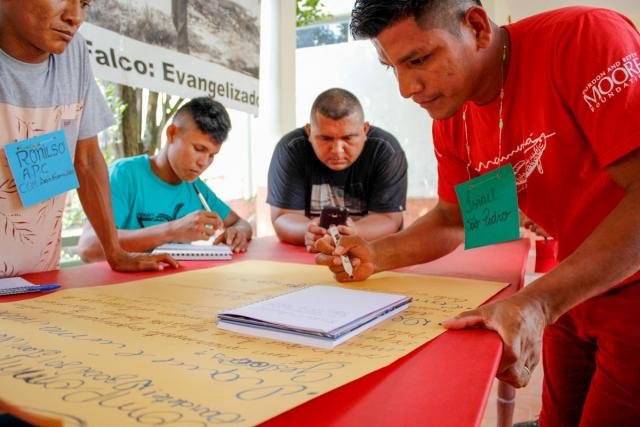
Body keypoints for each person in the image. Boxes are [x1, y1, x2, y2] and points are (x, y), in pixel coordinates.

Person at [315, 1, 640, 425]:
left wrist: (538, 305)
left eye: (419, 59)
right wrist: (378, 255)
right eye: (391, 66)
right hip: (574, 284)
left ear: (476, 27)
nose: (406, 87)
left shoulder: (583, 39)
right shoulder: (452, 117)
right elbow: (455, 220)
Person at [0, 0, 178, 278]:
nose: (76, 16)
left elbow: (86, 158)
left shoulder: (74, 53)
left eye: (84, 3)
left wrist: (114, 250)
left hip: (38, 278)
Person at [78, 97, 252, 261]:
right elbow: (88, 247)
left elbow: (240, 223)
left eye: (212, 155)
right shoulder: (124, 175)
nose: (203, 163)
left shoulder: (195, 187)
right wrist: (172, 231)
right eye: (199, 149)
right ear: (171, 133)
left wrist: (238, 232)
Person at [267, 88, 408, 251]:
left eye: (348, 138)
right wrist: (308, 231)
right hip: (305, 258)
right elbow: (282, 217)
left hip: (371, 255)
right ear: (309, 132)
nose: (337, 150)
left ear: (365, 130)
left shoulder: (385, 150)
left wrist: (355, 232)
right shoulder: (291, 149)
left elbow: (389, 218)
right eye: (325, 138)